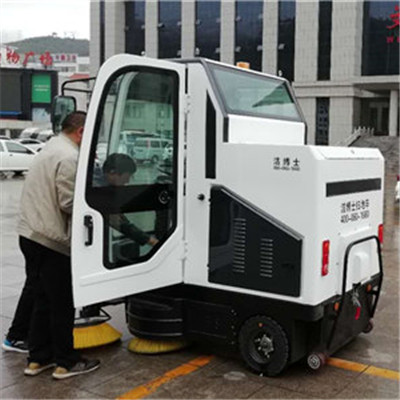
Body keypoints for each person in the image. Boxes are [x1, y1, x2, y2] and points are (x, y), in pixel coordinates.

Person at [16, 111, 100, 379]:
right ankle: (66, 362)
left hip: (30, 234)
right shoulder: (69, 157)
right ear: (81, 131)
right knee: (62, 303)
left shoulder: (50, 147)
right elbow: (69, 203)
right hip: (51, 240)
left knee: (42, 300)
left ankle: (38, 359)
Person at [100, 153, 158, 247]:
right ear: (112, 172)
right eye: (126, 177)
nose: (127, 181)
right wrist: (152, 242)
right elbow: (118, 222)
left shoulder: (104, 184)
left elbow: (119, 216)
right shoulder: (100, 191)